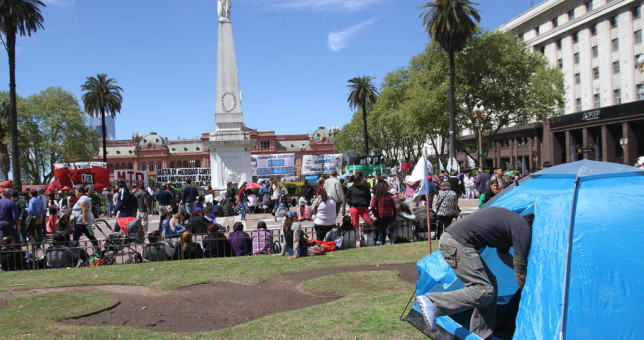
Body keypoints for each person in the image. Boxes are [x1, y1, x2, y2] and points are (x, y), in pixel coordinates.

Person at [416, 207, 534, 339]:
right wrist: (528, 294)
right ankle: (433, 302)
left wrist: (522, 270)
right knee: (484, 289)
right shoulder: (523, 230)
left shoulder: (512, 225)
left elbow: (503, 255)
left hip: (457, 240)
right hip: (457, 242)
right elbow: (520, 272)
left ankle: (480, 335)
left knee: (491, 287)